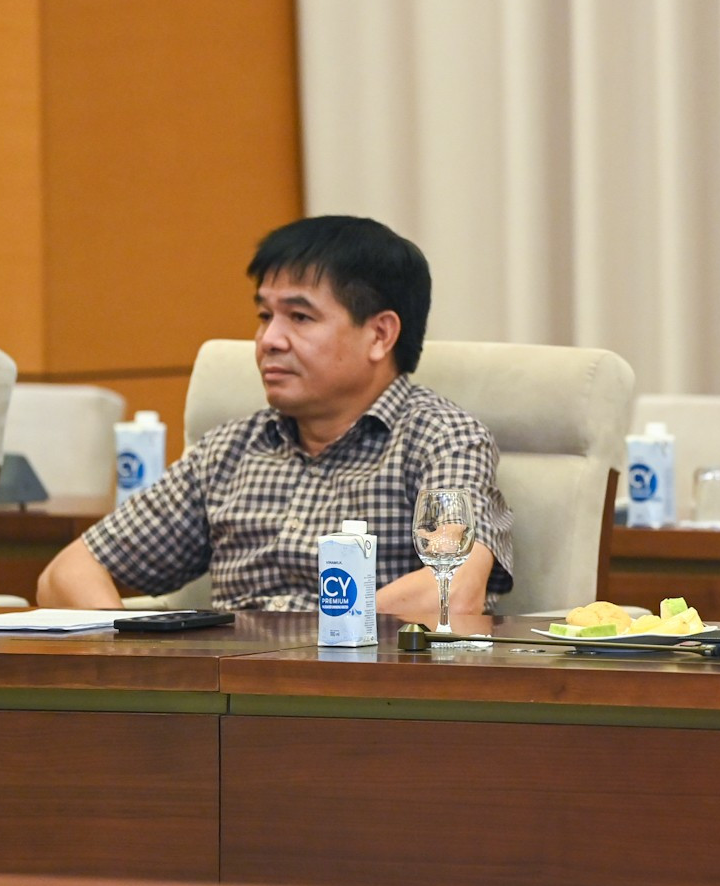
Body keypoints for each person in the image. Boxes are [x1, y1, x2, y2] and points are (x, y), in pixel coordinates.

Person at [37, 215, 515, 613]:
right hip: (223, 704)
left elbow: (452, 589)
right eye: (265, 316)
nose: (269, 340)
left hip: (369, 702)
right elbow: (67, 573)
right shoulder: (230, 451)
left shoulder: (443, 439)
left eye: (300, 317)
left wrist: (296, 650)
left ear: (380, 335)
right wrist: (127, 656)